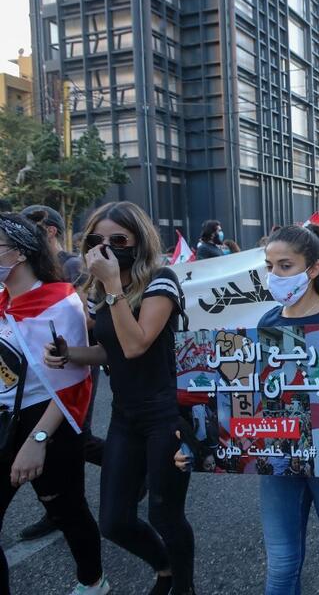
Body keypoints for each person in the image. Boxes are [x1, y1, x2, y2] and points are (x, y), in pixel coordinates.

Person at [188, 224, 319, 594]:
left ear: (313, 269)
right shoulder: (268, 322)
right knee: (281, 564)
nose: (274, 275)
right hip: (280, 457)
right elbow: (251, 397)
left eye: (285, 266)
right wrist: (199, 445)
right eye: (269, 265)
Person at [44, 202, 195, 595]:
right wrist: (69, 353)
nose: (106, 247)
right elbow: (109, 350)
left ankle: (184, 587)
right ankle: (164, 567)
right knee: (113, 521)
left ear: (138, 240)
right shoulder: (103, 293)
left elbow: (135, 345)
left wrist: (112, 287)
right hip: (125, 417)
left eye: (118, 240)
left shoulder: (161, 281)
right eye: (97, 240)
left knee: (166, 514)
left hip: (165, 416)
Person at [0, 213, 109, 595]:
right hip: (4, 419)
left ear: (20, 252)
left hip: (48, 420)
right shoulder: (1, 302)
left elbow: (73, 384)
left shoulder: (60, 304)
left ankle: (93, 582)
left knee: (67, 511)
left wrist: (37, 440)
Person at [18, 207, 106, 542]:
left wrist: (60, 311)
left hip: (77, 360)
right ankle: (58, 509)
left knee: (74, 437)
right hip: (41, 368)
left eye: (34, 228)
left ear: (51, 231)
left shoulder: (71, 266)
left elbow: (89, 319)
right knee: (62, 441)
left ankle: (131, 471)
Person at [22, 205, 83, 285]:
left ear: (50, 231)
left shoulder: (73, 265)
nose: (22, 236)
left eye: (28, 229)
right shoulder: (31, 266)